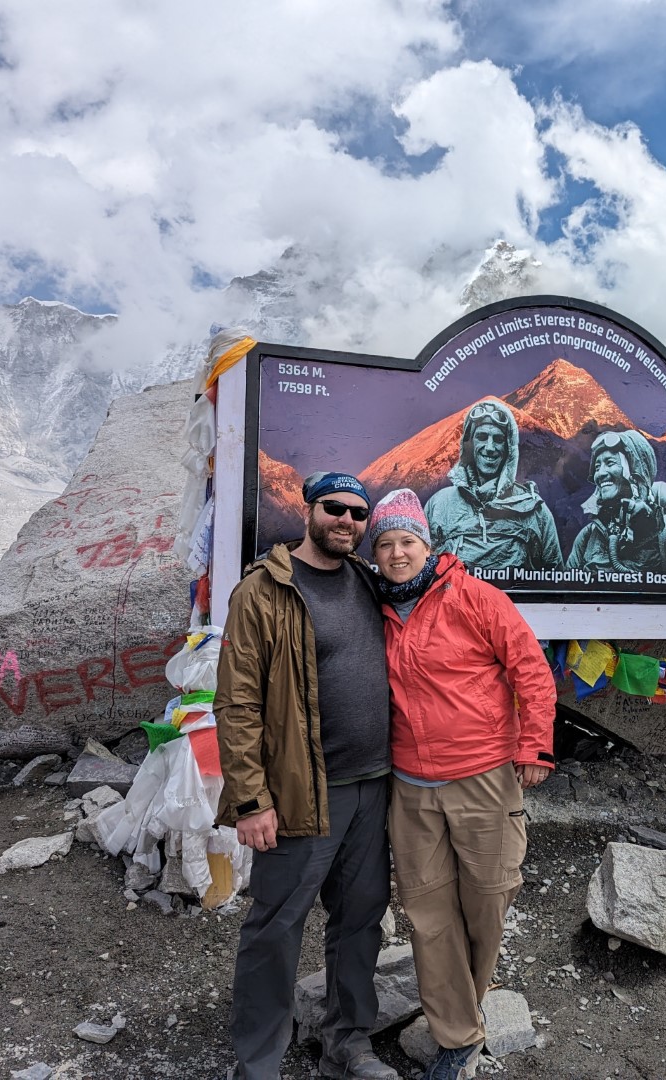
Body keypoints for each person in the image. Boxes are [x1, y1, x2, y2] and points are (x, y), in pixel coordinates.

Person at [214, 471, 398, 1080]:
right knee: (276, 925)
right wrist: (249, 799)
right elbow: (237, 703)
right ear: (309, 509)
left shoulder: (368, 582)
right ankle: (259, 1061)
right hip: (301, 792)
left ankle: (347, 1041)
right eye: (334, 509)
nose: (346, 521)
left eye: (357, 513)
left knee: (361, 918)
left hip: (374, 785)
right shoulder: (263, 592)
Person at [368, 488, 556, 1080]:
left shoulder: (476, 598)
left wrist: (534, 746)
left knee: (488, 899)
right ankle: (456, 1034)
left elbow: (532, 670)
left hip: (483, 777)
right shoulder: (374, 608)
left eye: (407, 541)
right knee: (427, 911)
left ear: (428, 545)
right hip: (411, 785)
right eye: (386, 544)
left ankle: (469, 997)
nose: (397, 554)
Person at [424, 397, 563, 572]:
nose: (490, 447)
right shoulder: (439, 505)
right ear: (469, 443)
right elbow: (421, 571)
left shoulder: (535, 511)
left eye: (498, 439)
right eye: (482, 437)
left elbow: (556, 582)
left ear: (509, 448)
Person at [566, 429, 666, 576]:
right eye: (597, 467)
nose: (600, 474)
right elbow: (566, 591)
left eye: (610, 463)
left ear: (636, 472)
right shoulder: (588, 537)